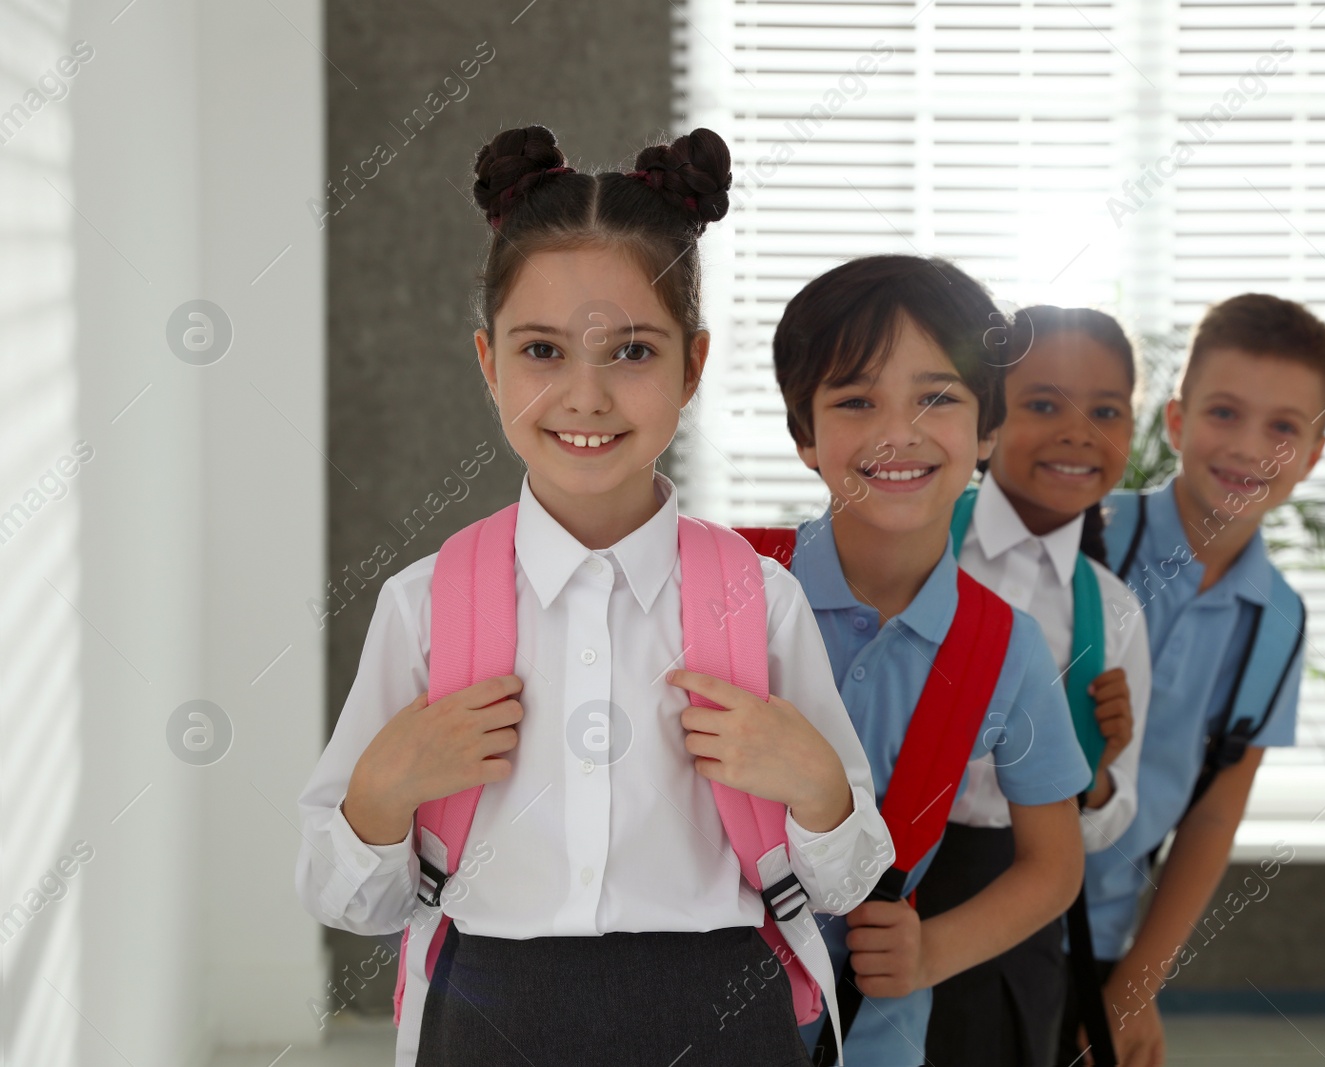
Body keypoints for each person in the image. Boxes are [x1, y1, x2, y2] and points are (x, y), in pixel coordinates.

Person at [294, 124, 893, 1067]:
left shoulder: (759, 600)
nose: (586, 395)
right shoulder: (424, 605)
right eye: (542, 350)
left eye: (632, 352)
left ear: (692, 368)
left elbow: (849, 879)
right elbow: (347, 901)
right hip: (485, 1016)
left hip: (725, 1013)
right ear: (489, 364)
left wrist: (819, 789)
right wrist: (380, 792)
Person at [756, 254, 1092, 1066]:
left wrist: (932, 951)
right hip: (696, 1014)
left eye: (936, 398)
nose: (896, 433)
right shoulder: (729, 587)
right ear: (806, 435)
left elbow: (1055, 864)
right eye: (855, 399)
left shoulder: (1003, 647)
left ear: (986, 431)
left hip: (873, 1035)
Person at [1068, 293, 1325, 1067]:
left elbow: (1213, 816)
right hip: (981, 910)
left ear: (1313, 454)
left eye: (1284, 426)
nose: (1250, 446)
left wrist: (1134, 988)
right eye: (1225, 413)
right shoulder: (1083, 538)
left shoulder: (1277, 622)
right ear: (1178, 422)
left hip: (1108, 937)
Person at [921, 306, 1152, 1066]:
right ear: (988, 420)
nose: (1078, 432)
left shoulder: (1113, 613)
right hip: (885, 875)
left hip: (1022, 898)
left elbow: (1103, 825)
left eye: (1107, 411)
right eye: (1044, 404)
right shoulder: (912, 544)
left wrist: (1101, 768)